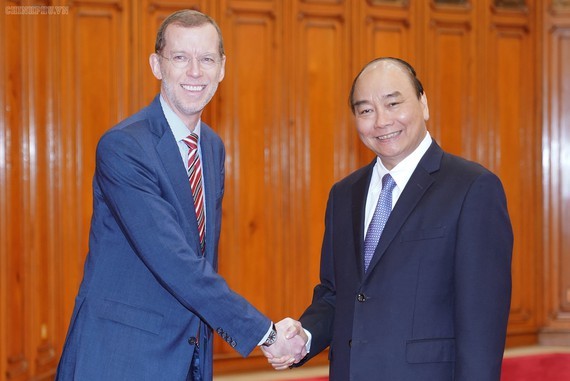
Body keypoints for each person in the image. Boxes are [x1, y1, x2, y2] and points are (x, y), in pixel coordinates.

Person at [55, 9, 306, 381]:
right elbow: (173, 259)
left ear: (222, 68)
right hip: (121, 358)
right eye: (180, 58)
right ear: (156, 65)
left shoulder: (212, 148)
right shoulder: (124, 147)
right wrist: (266, 334)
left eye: (206, 59)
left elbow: (201, 256)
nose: (195, 72)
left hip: (187, 356)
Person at [266, 57, 513, 380]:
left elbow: (482, 322)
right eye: (366, 110)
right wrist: (306, 336)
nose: (381, 121)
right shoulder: (344, 194)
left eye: (393, 103)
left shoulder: (472, 188)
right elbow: (337, 293)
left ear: (423, 104)